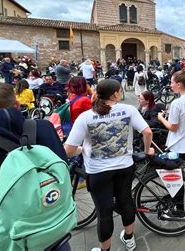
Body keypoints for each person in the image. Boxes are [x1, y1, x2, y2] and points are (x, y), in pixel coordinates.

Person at [64, 79, 153, 251]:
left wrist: (82, 149)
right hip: (124, 167)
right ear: (114, 94)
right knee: (126, 202)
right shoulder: (129, 110)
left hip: (98, 172)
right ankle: (129, 238)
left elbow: (69, 150)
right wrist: (147, 149)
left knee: (104, 212)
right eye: (120, 90)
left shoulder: (86, 116)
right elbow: (147, 131)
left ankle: (105, 249)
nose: (121, 93)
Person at [0, 81, 66, 196]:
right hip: (47, 203)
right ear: (16, 105)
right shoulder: (44, 127)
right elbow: (61, 163)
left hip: (2, 209)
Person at [157, 69, 185, 217]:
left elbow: (173, 127)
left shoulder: (177, 103)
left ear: (178, 85)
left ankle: (179, 210)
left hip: (180, 146)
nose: (170, 85)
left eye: (171, 82)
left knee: (175, 178)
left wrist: (161, 118)